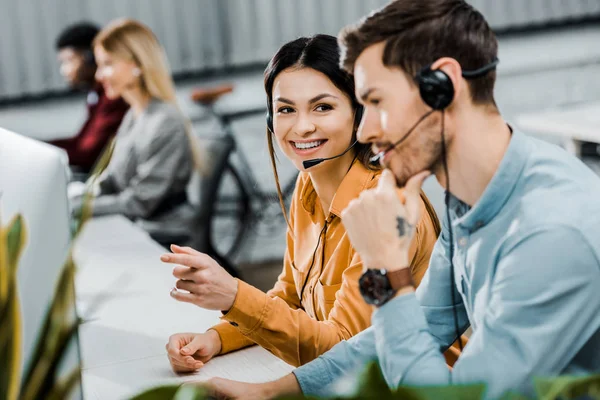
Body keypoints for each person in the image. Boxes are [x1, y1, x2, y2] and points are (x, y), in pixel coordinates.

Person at [198, 1, 600, 399]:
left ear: (442, 86)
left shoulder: (549, 232)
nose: (366, 129)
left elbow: (456, 399)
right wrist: (272, 393)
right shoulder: (471, 202)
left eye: (375, 102)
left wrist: (387, 267)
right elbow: (404, 330)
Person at [162, 35, 449, 373]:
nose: (301, 126)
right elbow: (289, 298)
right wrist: (216, 338)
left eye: (322, 107)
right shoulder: (307, 188)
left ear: (359, 114)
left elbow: (341, 352)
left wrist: (234, 296)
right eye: (286, 110)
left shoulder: (386, 208)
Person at [71, 18, 201, 240]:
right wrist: (79, 197)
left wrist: (78, 208)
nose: (99, 75)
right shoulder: (134, 115)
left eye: (108, 64)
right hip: (139, 225)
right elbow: (111, 179)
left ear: (138, 65)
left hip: (165, 234)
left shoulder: (165, 121)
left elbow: (141, 202)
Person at [51, 22, 128, 174]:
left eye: (69, 60)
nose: (64, 70)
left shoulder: (112, 96)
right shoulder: (96, 95)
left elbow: (89, 153)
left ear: (92, 57)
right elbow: (81, 142)